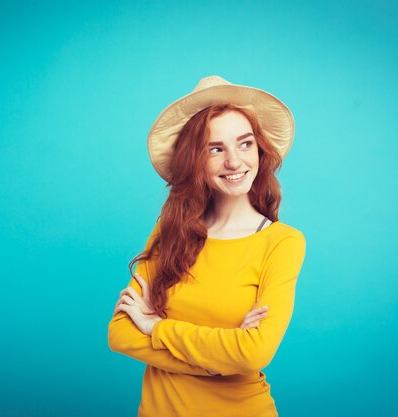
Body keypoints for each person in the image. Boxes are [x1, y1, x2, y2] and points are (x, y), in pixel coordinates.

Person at [107, 75, 306, 417]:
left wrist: (156, 327)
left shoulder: (282, 242)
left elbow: (254, 353)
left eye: (245, 144)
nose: (234, 162)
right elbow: (121, 334)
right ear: (194, 160)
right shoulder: (169, 232)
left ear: (260, 149)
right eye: (215, 149)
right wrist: (217, 362)